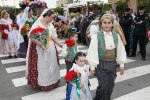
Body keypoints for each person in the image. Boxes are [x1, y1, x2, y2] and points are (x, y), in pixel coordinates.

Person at [87, 14, 126, 100]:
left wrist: (121, 65)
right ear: (101, 24)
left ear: (112, 24)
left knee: (110, 86)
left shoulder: (116, 36)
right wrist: (92, 67)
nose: (107, 24)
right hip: (101, 64)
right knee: (103, 86)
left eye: (109, 22)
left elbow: (120, 50)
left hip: (112, 64)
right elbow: (92, 51)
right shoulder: (97, 36)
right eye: (105, 23)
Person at [26, 9, 63, 91]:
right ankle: (42, 83)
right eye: (52, 17)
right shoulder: (37, 24)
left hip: (50, 48)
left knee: (51, 64)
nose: (52, 20)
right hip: (39, 49)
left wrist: (60, 44)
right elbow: (31, 35)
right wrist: (38, 42)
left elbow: (54, 37)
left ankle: (52, 81)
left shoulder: (51, 25)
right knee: (42, 65)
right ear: (47, 16)